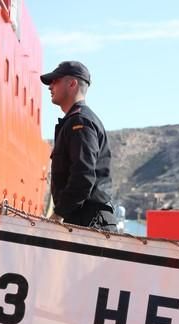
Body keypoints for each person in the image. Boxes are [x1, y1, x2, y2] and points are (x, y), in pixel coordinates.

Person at [41, 61, 116, 231]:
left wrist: (59, 214)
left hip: (89, 221)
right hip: (83, 218)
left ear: (72, 83)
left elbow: (83, 175)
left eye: (55, 81)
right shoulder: (75, 121)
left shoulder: (80, 121)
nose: (50, 86)